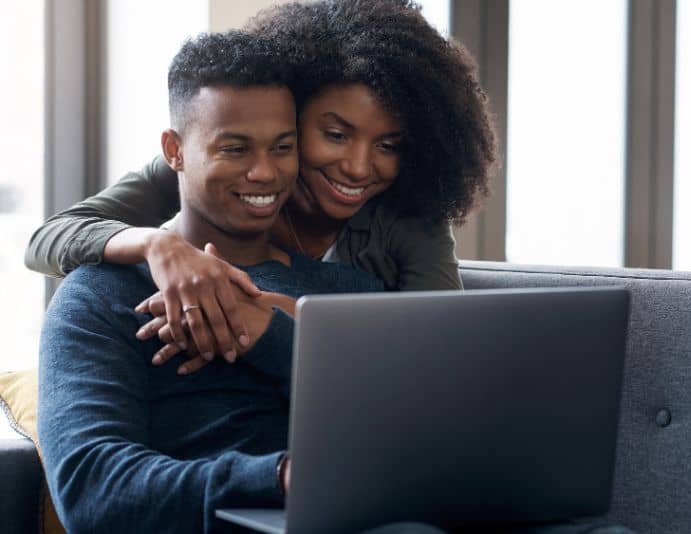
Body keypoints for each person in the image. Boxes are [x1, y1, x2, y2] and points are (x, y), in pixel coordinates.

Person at [38, 30, 385, 534]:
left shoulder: (351, 293)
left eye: (282, 147)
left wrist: (269, 334)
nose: (265, 173)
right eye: (236, 149)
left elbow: (405, 436)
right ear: (174, 150)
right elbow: (91, 490)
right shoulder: (98, 296)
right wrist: (280, 477)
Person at [25, 0, 498, 369]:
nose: (358, 166)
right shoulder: (214, 171)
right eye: (335, 134)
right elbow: (47, 239)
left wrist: (272, 315)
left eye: (388, 145)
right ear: (291, 116)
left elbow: (439, 357)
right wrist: (159, 246)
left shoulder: (412, 222)